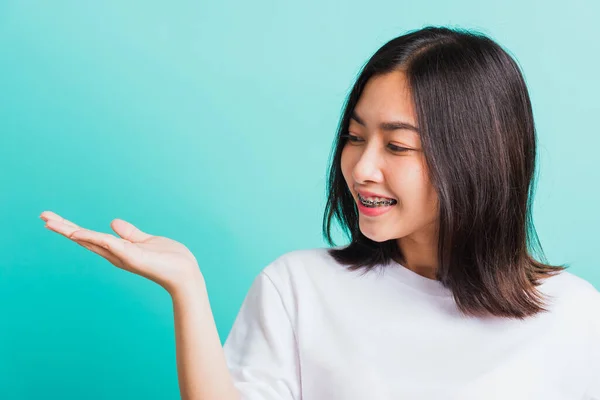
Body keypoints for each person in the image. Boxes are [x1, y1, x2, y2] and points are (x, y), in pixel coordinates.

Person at [40, 25, 599, 400]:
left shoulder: (578, 320)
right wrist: (186, 287)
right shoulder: (298, 288)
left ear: (477, 157)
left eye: (397, 146)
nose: (361, 169)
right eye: (355, 137)